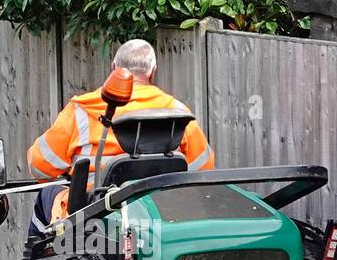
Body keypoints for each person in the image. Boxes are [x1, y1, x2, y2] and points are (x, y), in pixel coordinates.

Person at [26, 39, 214, 235]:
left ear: (114, 68)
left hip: (94, 218)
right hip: (164, 215)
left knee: (46, 196)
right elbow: (203, 171)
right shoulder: (179, 113)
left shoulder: (81, 111)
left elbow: (40, 167)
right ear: (153, 71)